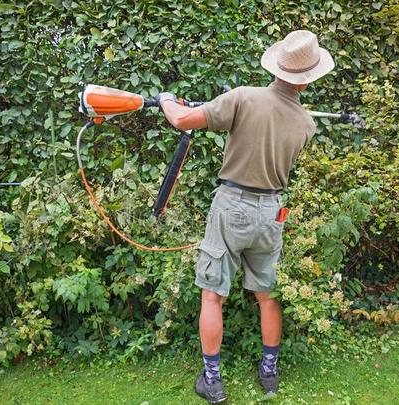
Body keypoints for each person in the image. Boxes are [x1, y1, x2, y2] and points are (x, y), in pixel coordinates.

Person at [157, 30, 334, 403]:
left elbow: (183, 120)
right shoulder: (307, 124)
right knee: (267, 296)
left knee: (212, 296)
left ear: (278, 65)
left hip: (232, 205)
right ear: (310, 75)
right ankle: (269, 373)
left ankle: (212, 380)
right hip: (272, 212)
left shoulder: (244, 98)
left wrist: (167, 100)